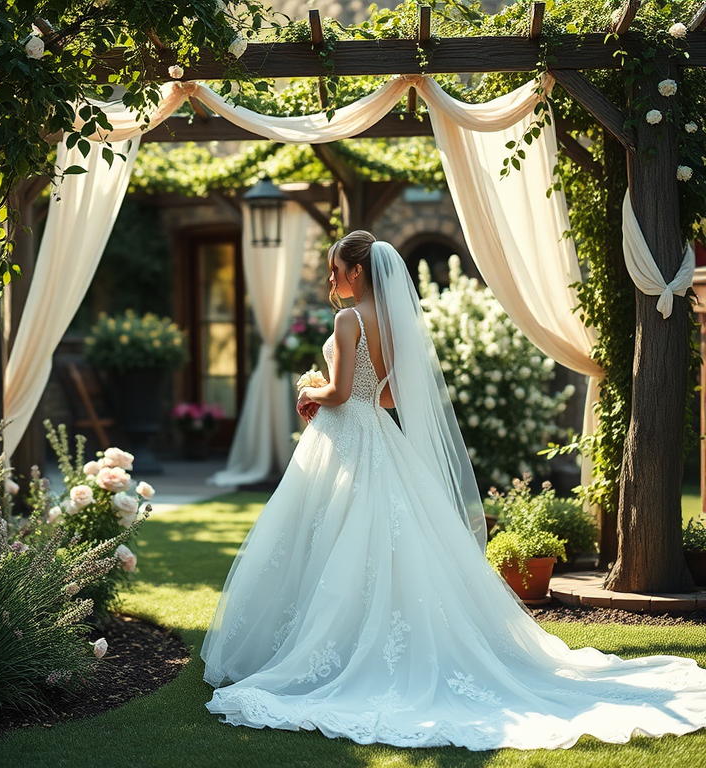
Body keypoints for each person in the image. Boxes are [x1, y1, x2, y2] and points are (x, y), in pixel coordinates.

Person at [199, 231, 706, 750]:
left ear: (357, 271)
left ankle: (325, 648)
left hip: (350, 436)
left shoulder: (348, 320)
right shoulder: (391, 321)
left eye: (335, 270)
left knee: (332, 537)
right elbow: (390, 396)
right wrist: (343, 394)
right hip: (376, 433)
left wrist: (310, 392)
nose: (331, 280)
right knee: (374, 539)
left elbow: (343, 391)